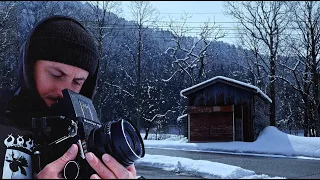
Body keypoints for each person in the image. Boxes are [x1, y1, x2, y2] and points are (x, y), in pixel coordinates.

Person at [0, 15, 137, 179]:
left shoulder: (87, 139)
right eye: (56, 75)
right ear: (29, 68)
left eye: (77, 82)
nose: (63, 92)